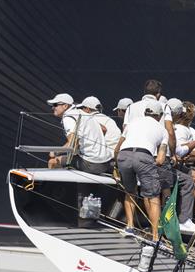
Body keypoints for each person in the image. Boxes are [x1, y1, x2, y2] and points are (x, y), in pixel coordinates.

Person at [114, 101, 168, 240]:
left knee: (130, 192)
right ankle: (155, 236)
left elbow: (117, 149)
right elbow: (161, 159)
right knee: (153, 196)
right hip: (144, 157)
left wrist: (116, 166)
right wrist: (151, 163)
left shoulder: (132, 123)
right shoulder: (162, 130)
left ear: (145, 113)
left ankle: (130, 227)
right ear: (160, 116)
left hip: (123, 156)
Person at [46, 93, 112, 173]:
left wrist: (55, 152)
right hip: (106, 161)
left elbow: (73, 143)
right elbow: (104, 129)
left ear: (65, 106)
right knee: (73, 157)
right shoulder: (83, 114)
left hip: (92, 164)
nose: (53, 108)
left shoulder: (68, 117)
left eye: (55, 105)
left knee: (52, 162)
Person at [122, 79, 175, 155]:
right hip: (157, 154)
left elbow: (125, 130)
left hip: (131, 152)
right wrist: (173, 154)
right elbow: (170, 132)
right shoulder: (164, 106)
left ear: (144, 92)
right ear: (158, 94)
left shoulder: (131, 107)